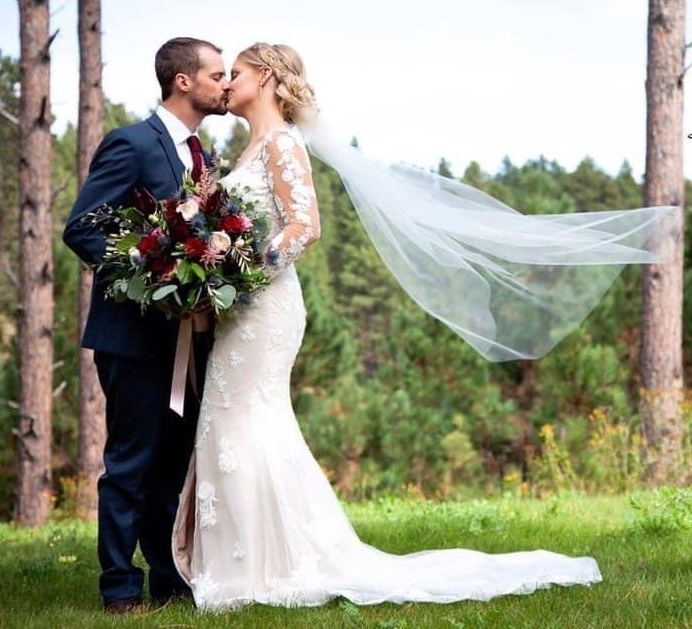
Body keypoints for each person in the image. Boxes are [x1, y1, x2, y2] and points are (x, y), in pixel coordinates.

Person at [172, 41, 683, 612]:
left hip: (265, 308)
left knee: (245, 421)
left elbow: (304, 227)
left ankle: (263, 570)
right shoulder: (248, 150)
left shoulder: (283, 145)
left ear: (264, 77)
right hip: (243, 310)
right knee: (236, 421)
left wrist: (242, 275)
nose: (226, 83)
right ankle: (252, 562)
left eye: (235, 73)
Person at [63, 37, 230, 614]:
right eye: (216, 74)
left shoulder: (202, 156)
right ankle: (118, 587)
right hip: (133, 336)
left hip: (187, 341)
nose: (225, 83)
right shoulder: (132, 143)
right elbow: (83, 227)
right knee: (131, 463)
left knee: (173, 464)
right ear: (183, 81)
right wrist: (148, 272)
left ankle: (169, 578)